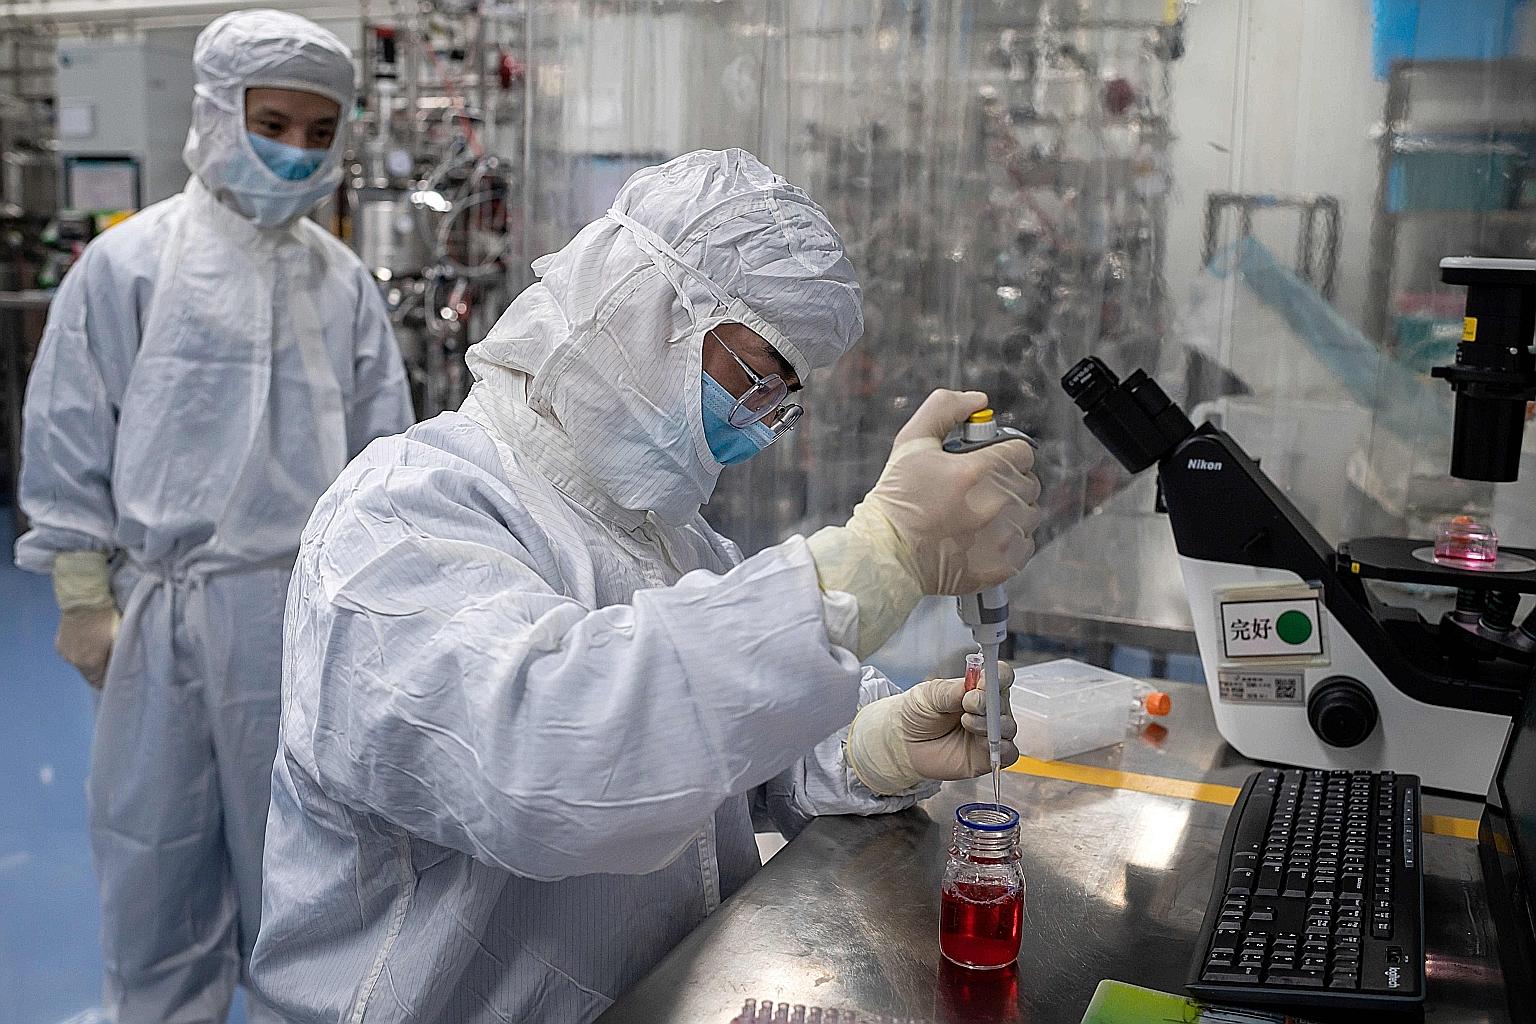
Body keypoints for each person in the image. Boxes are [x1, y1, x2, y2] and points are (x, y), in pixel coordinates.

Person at [250, 149, 1041, 1022]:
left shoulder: (666, 536)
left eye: (787, 395)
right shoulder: (400, 513)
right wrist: (876, 562)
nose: (767, 418)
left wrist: (868, 745)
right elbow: (552, 761)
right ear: (644, 305)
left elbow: (712, 745)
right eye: (756, 374)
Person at [14, 10, 413, 1022]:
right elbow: (70, 425)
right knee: (157, 858)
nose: (294, 150)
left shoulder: (345, 283)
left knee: (312, 871)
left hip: (309, 623)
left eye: (320, 133)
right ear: (215, 114)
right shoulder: (129, 264)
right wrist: (78, 588)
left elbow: (387, 461)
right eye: (272, 121)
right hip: (164, 617)